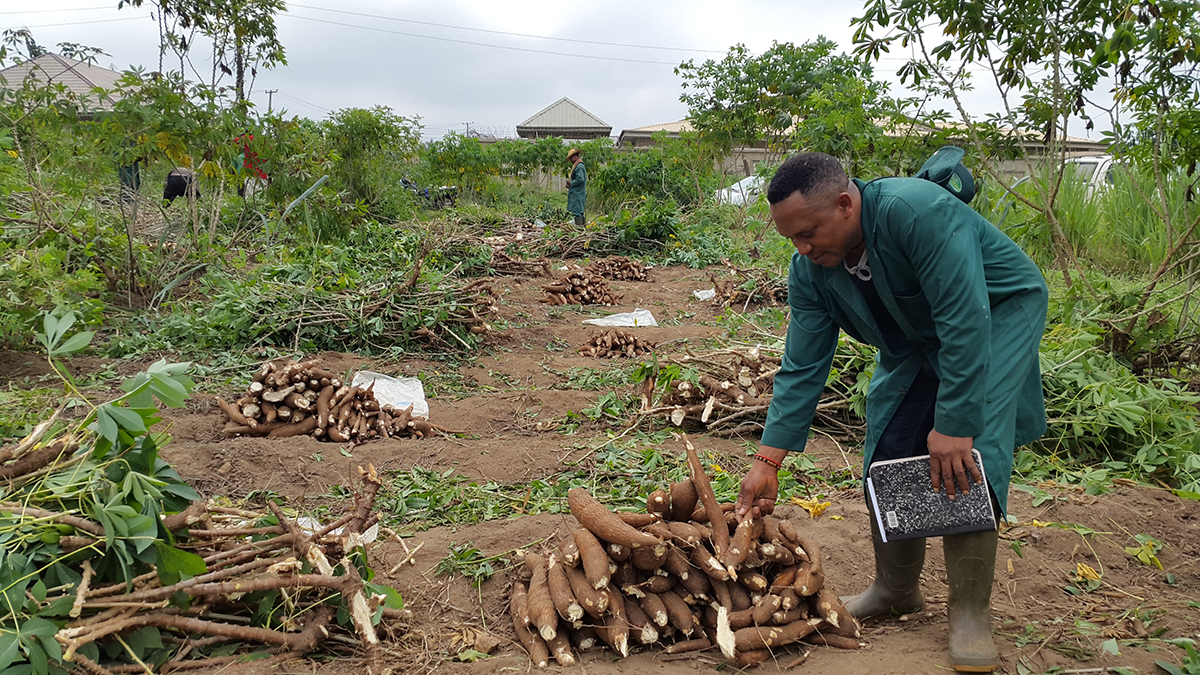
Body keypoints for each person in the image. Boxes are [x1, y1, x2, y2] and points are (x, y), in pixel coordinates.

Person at [734, 152, 1047, 673]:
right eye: (791, 238)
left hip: (996, 315)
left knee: (966, 458)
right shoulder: (810, 269)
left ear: (844, 203)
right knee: (890, 442)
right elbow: (803, 364)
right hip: (917, 338)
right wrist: (768, 460)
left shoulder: (915, 212)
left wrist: (953, 425)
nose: (803, 248)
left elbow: (965, 319)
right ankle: (897, 589)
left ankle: (970, 612)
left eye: (809, 232)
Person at [565, 147, 587, 226]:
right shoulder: (578, 166)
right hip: (577, 193)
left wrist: (571, 182)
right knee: (579, 212)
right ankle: (582, 229)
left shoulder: (579, 166)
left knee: (578, 212)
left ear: (575, 156)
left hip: (578, 194)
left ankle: (579, 229)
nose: (570, 160)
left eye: (571, 158)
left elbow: (580, 179)